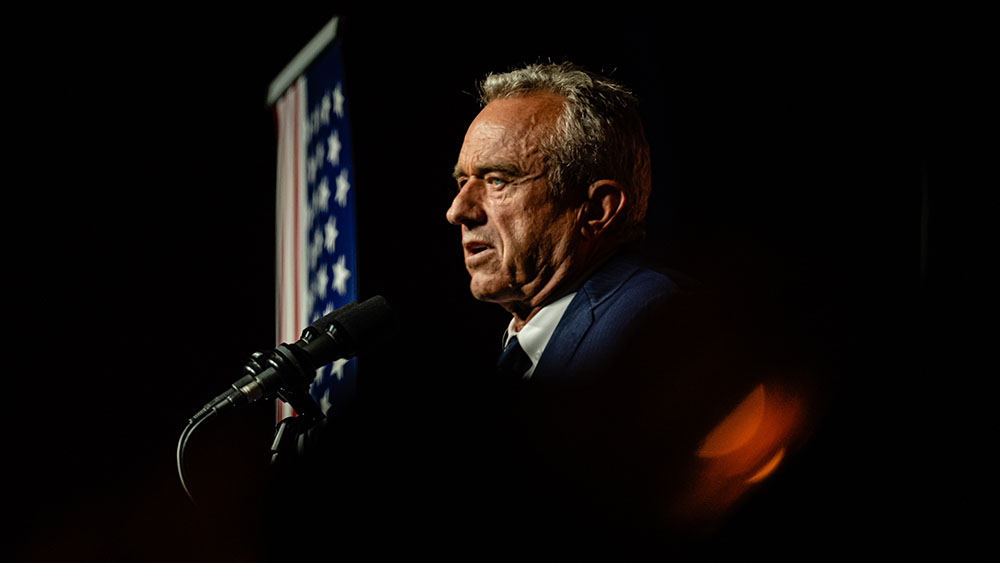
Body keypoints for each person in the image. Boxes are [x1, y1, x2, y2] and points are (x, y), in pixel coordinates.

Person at [444, 62, 744, 549]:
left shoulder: (654, 328)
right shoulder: (521, 351)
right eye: (462, 181)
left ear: (597, 209)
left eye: (497, 179)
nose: (458, 210)